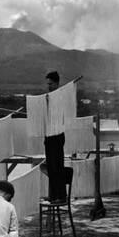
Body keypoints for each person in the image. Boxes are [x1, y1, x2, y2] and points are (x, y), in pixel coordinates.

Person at [44, 71, 67, 202]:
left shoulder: (60, 97)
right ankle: (54, 196)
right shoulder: (49, 97)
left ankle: (61, 196)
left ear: (57, 83)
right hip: (49, 134)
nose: (49, 86)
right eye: (48, 84)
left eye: (51, 84)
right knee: (51, 167)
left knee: (57, 165)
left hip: (57, 134)